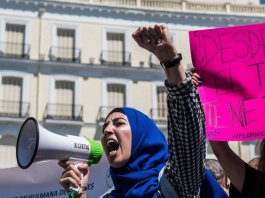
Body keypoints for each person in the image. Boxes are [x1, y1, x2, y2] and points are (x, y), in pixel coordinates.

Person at [58, 24, 228, 198]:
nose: (107, 130)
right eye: (105, 128)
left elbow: (187, 139)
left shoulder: (174, 183)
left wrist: (170, 61)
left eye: (119, 123)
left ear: (142, 138)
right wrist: (79, 194)